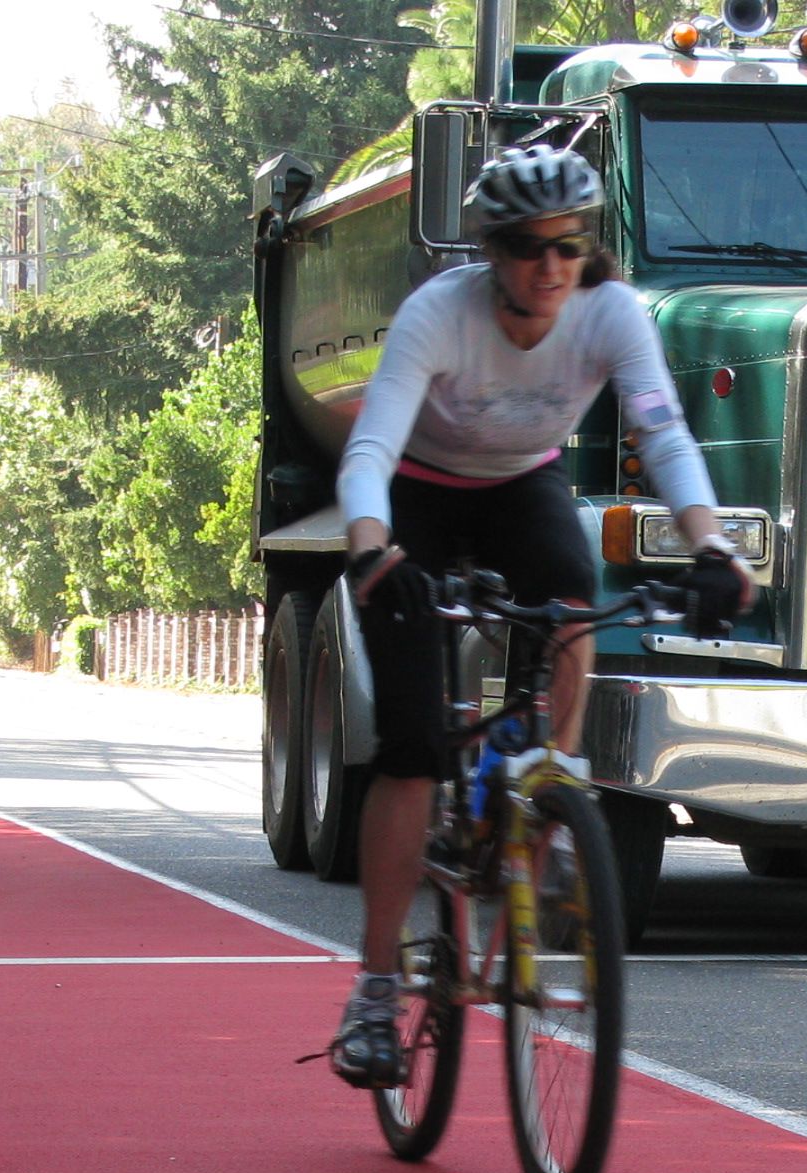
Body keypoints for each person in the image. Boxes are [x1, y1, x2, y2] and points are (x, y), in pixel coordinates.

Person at [324, 144, 756, 1089]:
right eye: (528, 248)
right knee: (409, 746)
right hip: (416, 496)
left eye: (570, 246)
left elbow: (662, 429)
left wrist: (713, 546)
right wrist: (370, 549)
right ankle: (373, 985)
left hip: (523, 485)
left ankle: (549, 799)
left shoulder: (610, 313)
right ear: (492, 251)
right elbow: (370, 446)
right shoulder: (442, 313)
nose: (551, 267)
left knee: (574, 606)